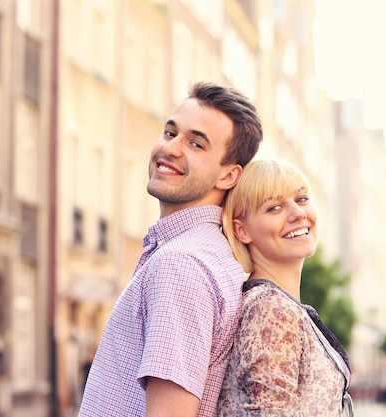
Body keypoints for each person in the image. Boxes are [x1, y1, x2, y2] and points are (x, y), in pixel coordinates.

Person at [79, 81, 263, 416]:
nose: (172, 148)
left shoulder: (181, 265)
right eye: (170, 132)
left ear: (228, 176)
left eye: (196, 143)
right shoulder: (210, 254)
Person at [217, 159, 353, 416]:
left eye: (301, 199)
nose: (298, 213)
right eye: (274, 207)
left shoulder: (275, 304)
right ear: (242, 230)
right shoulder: (272, 310)